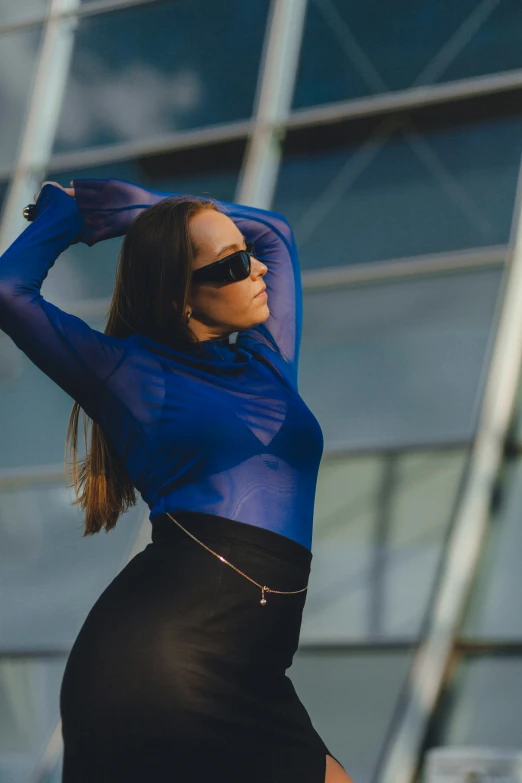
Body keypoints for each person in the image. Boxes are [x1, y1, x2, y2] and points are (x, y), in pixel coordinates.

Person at [0, 178, 352, 782]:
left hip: (251, 669)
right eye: (234, 264)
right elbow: (9, 291)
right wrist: (69, 216)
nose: (257, 268)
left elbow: (277, 233)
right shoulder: (130, 373)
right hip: (160, 664)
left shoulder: (265, 358)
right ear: (180, 298)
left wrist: (132, 208)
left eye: (247, 255)